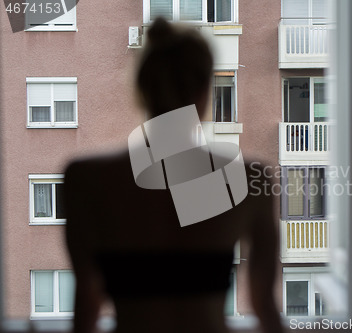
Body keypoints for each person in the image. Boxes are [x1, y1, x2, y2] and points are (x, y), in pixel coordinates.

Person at [64, 18, 284, 333]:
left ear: (141, 88)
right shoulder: (250, 179)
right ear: (204, 90)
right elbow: (265, 308)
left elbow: (86, 310)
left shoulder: (85, 179)